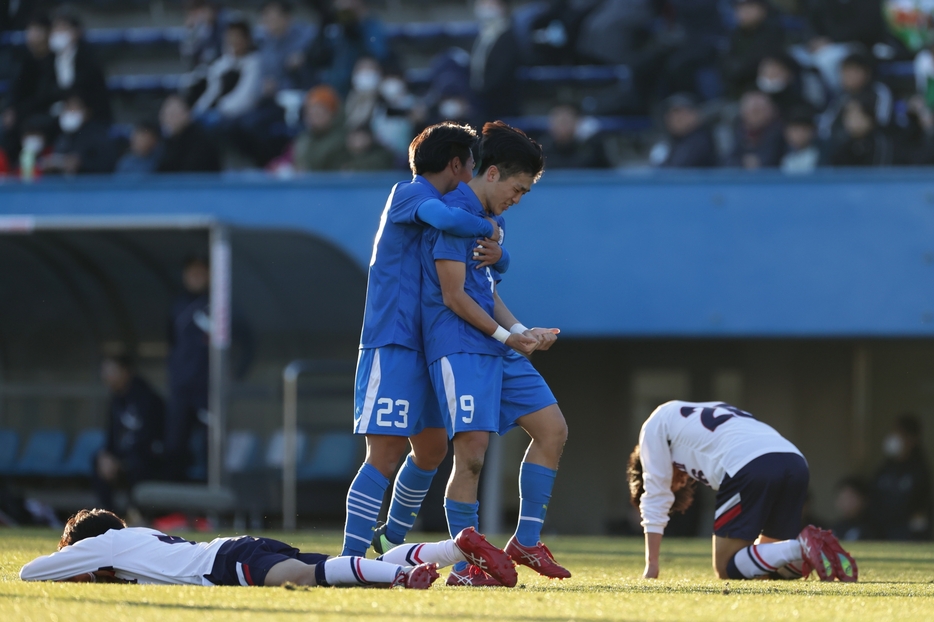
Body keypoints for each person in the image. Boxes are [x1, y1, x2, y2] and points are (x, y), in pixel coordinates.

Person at [341, 123, 506, 562]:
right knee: (386, 450)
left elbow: (490, 267)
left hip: (427, 344)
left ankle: (389, 538)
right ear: (456, 163)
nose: (473, 171)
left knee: (432, 449)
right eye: (471, 162)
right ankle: (349, 558)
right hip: (392, 339)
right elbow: (452, 221)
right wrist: (489, 225)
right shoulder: (410, 194)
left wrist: (499, 247)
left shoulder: (443, 204)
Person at [419, 121, 570, 586]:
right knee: (472, 456)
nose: (518, 199)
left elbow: (486, 294)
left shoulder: (492, 223)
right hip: (460, 346)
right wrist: (509, 339)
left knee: (553, 430)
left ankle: (524, 541)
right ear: (492, 173)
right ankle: (467, 567)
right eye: (517, 188)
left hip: (493, 343)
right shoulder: (455, 211)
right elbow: (454, 296)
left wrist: (523, 331)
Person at [628, 400, 857, 582]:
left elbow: (655, 496)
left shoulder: (654, 426)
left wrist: (652, 565)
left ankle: (802, 546)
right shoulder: (702, 413)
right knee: (769, 568)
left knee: (726, 567)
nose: (680, 482)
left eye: (675, 483)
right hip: (795, 462)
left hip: (749, 464)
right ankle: (815, 549)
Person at [20, 508, 518, 589]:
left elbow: (30, 573)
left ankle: (402, 578)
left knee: (298, 579)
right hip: (237, 546)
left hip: (222, 563)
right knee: (339, 568)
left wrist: (74, 566)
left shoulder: (102, 544)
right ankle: (454, 548)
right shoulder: (137, 538)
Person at [93, 356, 165, 512]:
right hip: (123, 460)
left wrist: (122, 462)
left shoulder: (148, 398)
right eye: (104, 372)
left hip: (147, 460)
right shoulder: (116, 400)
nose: (106, 376)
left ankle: (137, 514)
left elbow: (150, 439)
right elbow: (111, 436)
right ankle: (107, 514)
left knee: (137, 465)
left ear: (125, 371)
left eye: (111, 371)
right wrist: (106, 456)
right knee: (97, 461)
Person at [164, 256, 211, 481]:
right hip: (181, 388)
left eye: (201, 273)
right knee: (175, 446)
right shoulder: (178, 306)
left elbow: (245, 339)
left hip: (207, 390)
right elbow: (171, 341)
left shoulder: (218, 305)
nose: (196, 278)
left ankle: (209, 508)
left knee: (209, 448)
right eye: (192, 273)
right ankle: (176, 506)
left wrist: (235, 372)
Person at [868, 413, 933, 540]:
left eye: (898, 433)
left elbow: (920, 509)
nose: (893, 438)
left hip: (906, 534)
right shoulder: (885, 468)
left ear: (912, 438)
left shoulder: (919, 470)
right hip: (881, 531)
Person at [303, 0, 389, 96]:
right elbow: (316, 56)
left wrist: (353, 26)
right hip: (329, 88)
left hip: (355, 90)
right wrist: (324, 22)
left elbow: (379, 54)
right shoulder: (333, 24)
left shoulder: (371, 24)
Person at [1, 12, 55, 161]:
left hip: (43, 112)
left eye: (36, 30)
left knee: (33, 125)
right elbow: (14, 90)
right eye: (29, 31)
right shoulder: (23, 60)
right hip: (22, 112)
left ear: (47, 33)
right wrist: (9, 108)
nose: (31, 35)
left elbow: (47, 94)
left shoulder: (54, 61)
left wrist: (20, 111)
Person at [48, 7, 111, 124]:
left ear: (76, 31)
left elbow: (95, 91)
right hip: (58, 113)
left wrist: (80, 105)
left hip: (89, 113)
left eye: (63, 28)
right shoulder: (48, 59)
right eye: (55, 29)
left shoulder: (89, 57)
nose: (58, 33)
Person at [192, 18, 263, 121]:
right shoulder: (222, 64)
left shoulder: (255, 62)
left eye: (237, 36)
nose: (233, 41)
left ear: (247, 39)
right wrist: (199, 110)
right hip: (219, 113)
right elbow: (211, 93)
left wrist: (221, 111)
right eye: (230, 36)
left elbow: (246, 97)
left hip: (241, 116)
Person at [818, 50, 892, 143]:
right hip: (847, 143)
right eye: (846, 72)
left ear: (867, 73)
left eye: (855, 72)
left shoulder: (879, 91)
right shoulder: (842, 97)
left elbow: (884, 121)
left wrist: (863, 116)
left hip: (875, 141)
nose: (850, 77)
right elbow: (826, 126)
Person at [720, 0, 786, 98]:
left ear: (762, 9)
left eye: (749, 6)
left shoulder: (775, 31)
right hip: (740, 91)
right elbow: (727, 69)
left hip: (771, 91)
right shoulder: (733, 37)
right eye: (740, 8)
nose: (744, 12)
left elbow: (767, 60)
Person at [470, 0, 521, 118]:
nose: (485, 7)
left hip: (501, 107)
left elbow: (500, 74)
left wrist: (478, 95)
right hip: (483, 104)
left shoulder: (508, 37)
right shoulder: (483, 35)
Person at [42, 93, 116, 175]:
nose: (70, 112)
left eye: (74, 108)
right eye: (67, 108)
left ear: (87, 112)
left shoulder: (98, 135)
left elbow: (108, 165)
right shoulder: (62, 137)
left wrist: (82, 164)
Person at [156, 95, 221, 173]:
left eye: (173, 114)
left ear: (187, 114)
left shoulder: (200, 139)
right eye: (166, 114)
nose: (169, 118)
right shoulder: (166, 140)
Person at [650, 93, 717, 168]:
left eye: (681, 113)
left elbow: (676, 170)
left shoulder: (699, 140)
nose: (676, 119)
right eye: (671, 114)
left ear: (695, 115)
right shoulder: (671, 141)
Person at [828, 93, 894, 167]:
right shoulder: (839, 144)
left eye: (858, 115)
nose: (853, 120)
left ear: (870, 117)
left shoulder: (881, 143)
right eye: (849, 115)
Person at [536, 104, 609, 169]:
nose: (562, 126)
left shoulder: (591, 148)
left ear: (576, 122)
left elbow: (608, 173)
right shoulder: (541, 149)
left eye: (566, 121)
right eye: (558, 121)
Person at [726, 90, 785, 169]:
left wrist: (760, 162)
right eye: (753, 111)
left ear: (771, 111)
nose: (756, 115)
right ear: (743, 112)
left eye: (760, 110)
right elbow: (726, 160)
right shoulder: (734, 131)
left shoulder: (781, 132)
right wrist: (743, 163)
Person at [292, 85, 346, 172]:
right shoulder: (303, 139)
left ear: (332, 114)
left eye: (319, 112)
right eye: (311, 112)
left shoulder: (342, 140)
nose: (314, 117)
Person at [180, 0, 226, 72]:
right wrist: (191, 31)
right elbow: (188, 53)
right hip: (199, 69)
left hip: (218, 67)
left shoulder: (222, 25)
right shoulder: (197, 29)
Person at [780, 106, 820, 173]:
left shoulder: (821, 156)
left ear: (813, 132)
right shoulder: (781, 155)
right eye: (795, 130)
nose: (800, 134)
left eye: (804, 130)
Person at [832, 477, 870, 541]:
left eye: (850, 498)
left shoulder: (870, 528)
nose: (846, 503)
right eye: (843, 498)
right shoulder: (834, 528)